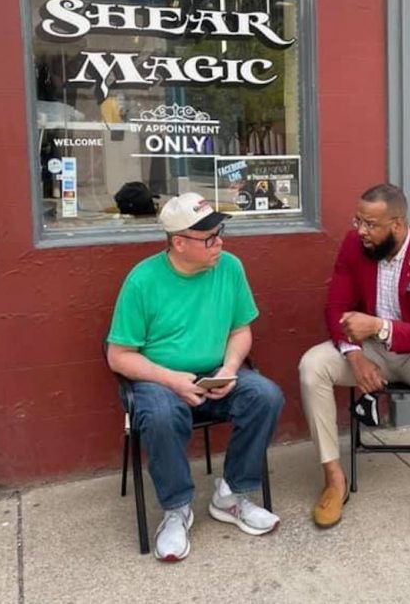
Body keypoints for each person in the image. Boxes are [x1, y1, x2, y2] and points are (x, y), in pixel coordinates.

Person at [106, 192, 284, 562]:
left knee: (266, 395)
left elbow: (240, 330)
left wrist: (230, 369)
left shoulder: (230, 267)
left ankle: (232, 496)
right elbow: (119, 357)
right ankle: (176, 510)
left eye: (219, 233)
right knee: (158, 414)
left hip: (217, 374)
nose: (219, 243)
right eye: (209, 238)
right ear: (179, 243)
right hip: (158, 379)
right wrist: (171, 380)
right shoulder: (142, 281)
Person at [299, 183, 410, 538]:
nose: (360, 231)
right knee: (312, 366)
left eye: (369, 224)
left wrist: (380, 326)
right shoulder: (353, 246)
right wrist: (355, 356)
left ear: (396, 224)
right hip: (367, 349)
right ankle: (334, 479)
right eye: (357, 221)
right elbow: (335, 307)